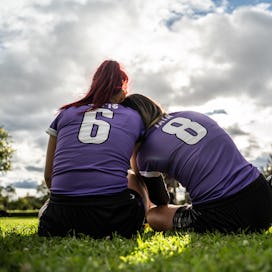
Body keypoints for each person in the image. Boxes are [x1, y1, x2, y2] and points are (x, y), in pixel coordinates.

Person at [121, 93, 272, 233]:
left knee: (154, 216)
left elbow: (160, 201)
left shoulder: (145, 153)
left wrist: (135, 154)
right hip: (262, 194)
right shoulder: (188, 114)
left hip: (225, 213)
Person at [38, 60, 149, 238]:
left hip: (59, 218)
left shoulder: (66, 113)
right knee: (133, 176)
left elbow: (49, 176)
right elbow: (140, 171)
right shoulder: (134, 117)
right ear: (122, 90)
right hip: (115, 218)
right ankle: (144, 221)